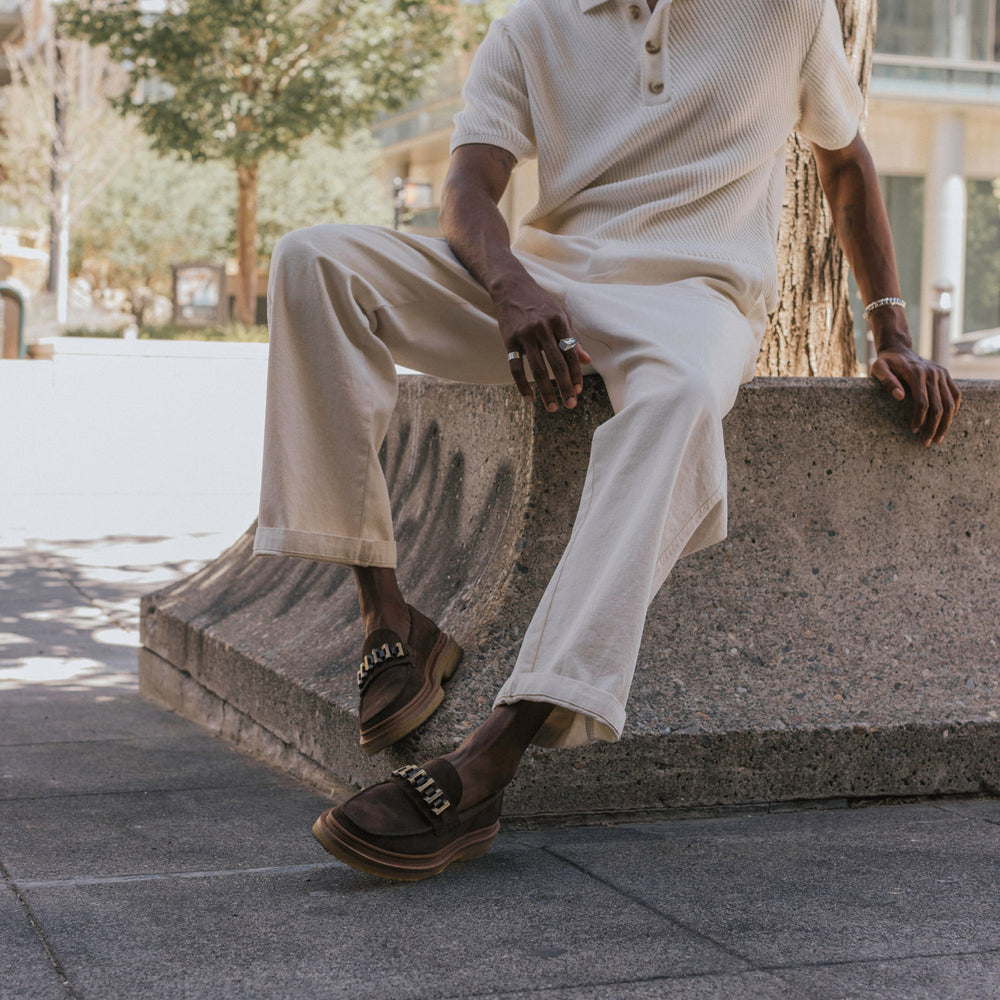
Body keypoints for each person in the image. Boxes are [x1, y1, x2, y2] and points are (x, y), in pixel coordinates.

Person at [256, 0, 961, 880]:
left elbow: (847, 162)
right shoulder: (532, 23)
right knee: (312, 261)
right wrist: (512, 286)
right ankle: (387, 615)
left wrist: (890, 332)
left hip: (695, 296)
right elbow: (468, 189)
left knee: (678, 408)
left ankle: (490, 759)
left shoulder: (786, 11)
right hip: (544, 287)